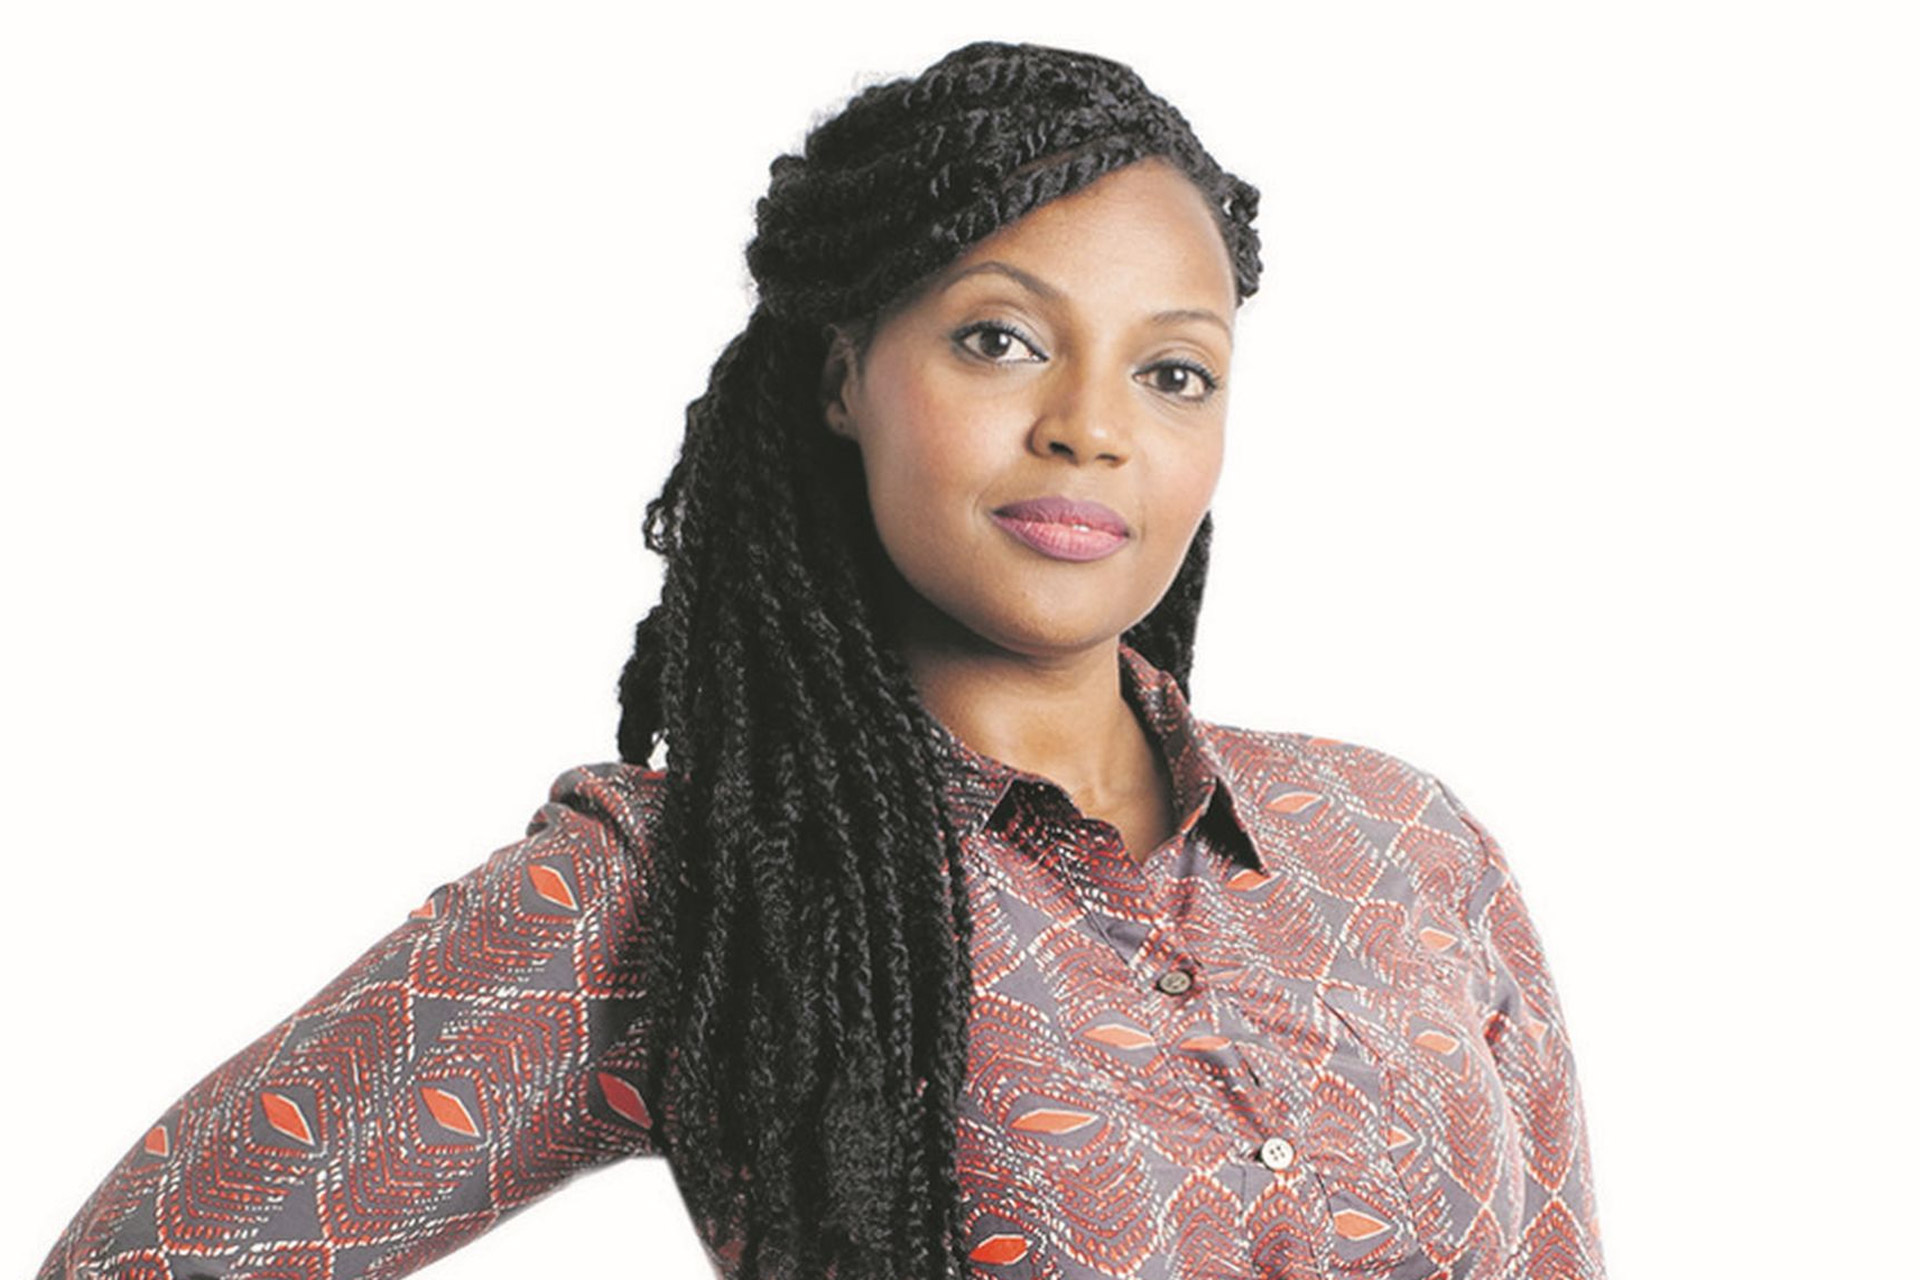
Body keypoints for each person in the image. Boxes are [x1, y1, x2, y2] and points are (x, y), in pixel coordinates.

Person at [34, 40, 1602, 1280]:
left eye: (1174, 371)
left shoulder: (1403, 845)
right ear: (847, 374)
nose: (1092, 426)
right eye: (1000, 339)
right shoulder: (684, 886)